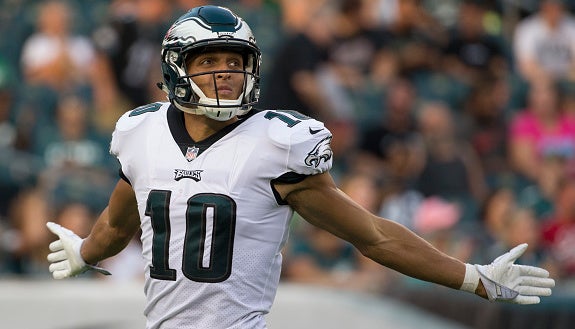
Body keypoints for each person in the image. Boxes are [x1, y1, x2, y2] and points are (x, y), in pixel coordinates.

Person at [45, 6, 555, 329]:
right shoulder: (141, 132)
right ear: (177, 68)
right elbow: (118, 222)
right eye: (208, 62)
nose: (225, 74)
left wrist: (471, 278)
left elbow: (373, 234)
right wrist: (84, 252)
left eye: (235, 61)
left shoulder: (277, 144)